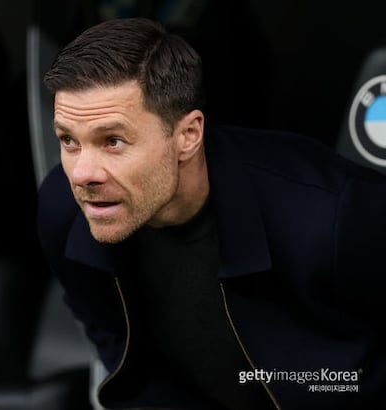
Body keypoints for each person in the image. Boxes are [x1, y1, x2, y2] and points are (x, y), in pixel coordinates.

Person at [36, 17, 386, 410]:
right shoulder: (66, 211)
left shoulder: (327, 217)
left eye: (113, 141)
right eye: (68, 140)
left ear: (188, 135)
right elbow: (110, 333)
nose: (82, 174)